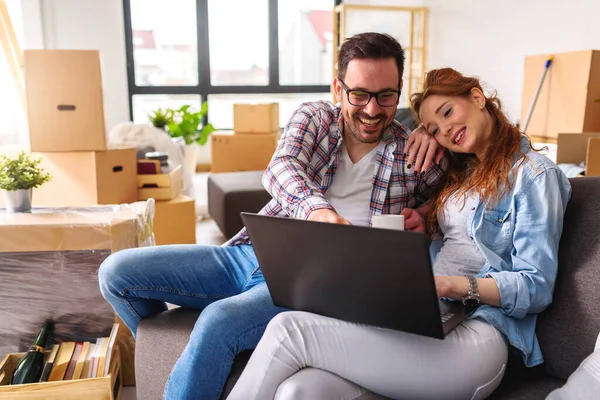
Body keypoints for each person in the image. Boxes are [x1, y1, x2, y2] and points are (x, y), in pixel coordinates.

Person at [98, 32, 444, 400]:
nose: (372, 110)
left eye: (386, 96)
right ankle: (175, 349)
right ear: (338, 89)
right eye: (359, 94)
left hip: (309, 286)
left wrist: (429, 205)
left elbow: (456, 203)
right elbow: (282, 167)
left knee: (219, 321)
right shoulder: (314, 117)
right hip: (247, 254)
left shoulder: (413, 152)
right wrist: (318, 211)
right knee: (116, 273)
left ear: (399, 92)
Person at [226, 67, 572, 400]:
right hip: (427, 318)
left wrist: (448, 285)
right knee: (299, 391)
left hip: (480, 336)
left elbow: (535, 286)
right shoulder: (465, 172)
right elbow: (461, 237)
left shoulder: (535, 176)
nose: (446, 130)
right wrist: (428, 224)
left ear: (478, 97)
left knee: (290, 330)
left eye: (448, 112)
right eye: (434, 129)